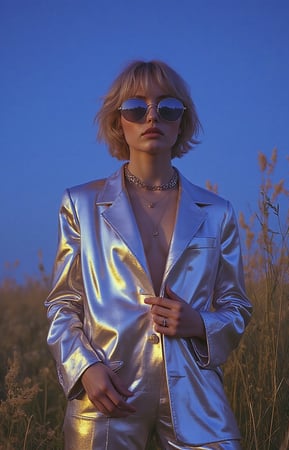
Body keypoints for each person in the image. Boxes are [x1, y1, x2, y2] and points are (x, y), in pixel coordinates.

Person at [45, 60, 252, 450]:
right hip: (108, 396)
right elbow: (62, 303)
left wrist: (199, 324)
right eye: (136, 108)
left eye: (168, 107)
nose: (152, 116)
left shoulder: (218, 211)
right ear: (118, 121)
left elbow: (237, 305)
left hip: (198, 398)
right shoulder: (80, 203)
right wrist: (84, 367)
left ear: (181, 121)